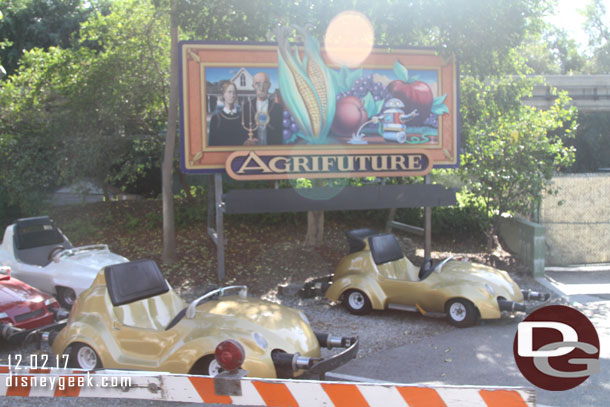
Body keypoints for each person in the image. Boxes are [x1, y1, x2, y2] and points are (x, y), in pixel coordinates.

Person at [241, 72, 284, 145]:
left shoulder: (278, 108)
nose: (261, 87)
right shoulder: (246, 107)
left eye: (265, 83)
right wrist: (245, 142)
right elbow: (241, 134)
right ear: (253, 86)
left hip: (272, 152)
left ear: (269, 85)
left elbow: (281, 133)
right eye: (258, 84)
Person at [208, 81, 248, 146]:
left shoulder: (242, 118)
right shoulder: (216, 119)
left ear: (236, 95)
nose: (232, 95)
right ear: (224, 94)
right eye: (229, 92)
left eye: (234, 93)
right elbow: (212, 144)